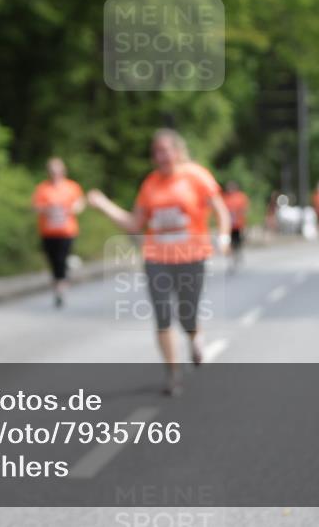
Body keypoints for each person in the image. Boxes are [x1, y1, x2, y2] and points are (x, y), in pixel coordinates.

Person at [87, 129, 231, 396]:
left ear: (177, 151)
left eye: (165, 150)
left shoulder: (196, 176)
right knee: (162, 314)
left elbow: (221, 210)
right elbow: (134, 223)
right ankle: (173, 374)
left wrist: (224, 237)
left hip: (191, 256)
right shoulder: (150, 184)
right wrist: (104, 204)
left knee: (187, 312)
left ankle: (195, 337)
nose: (160, 156)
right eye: (156, 152)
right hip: (157, 258)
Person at [31, 157, 85, 307]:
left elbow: (80, 203)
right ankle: (59, 284)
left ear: (63, 171)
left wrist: (72, 208)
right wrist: (48, 209)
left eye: (57, 171)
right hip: (48, 231)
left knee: (61, 259)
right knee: (53, 261)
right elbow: (35, 206)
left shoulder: (72, 186)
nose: (55, 174)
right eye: (52, 171)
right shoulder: (43, 188)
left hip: (67, 231)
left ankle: (60, 289)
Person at [221, 181, 249, 271]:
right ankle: (231, 258)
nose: (230, 189)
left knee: (237, 242)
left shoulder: (241, 197)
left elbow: (244, 209)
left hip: (238, 225)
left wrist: (242, 217)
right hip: (228, 226)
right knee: (229, 242)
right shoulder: (225, 197)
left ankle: (237, 254)